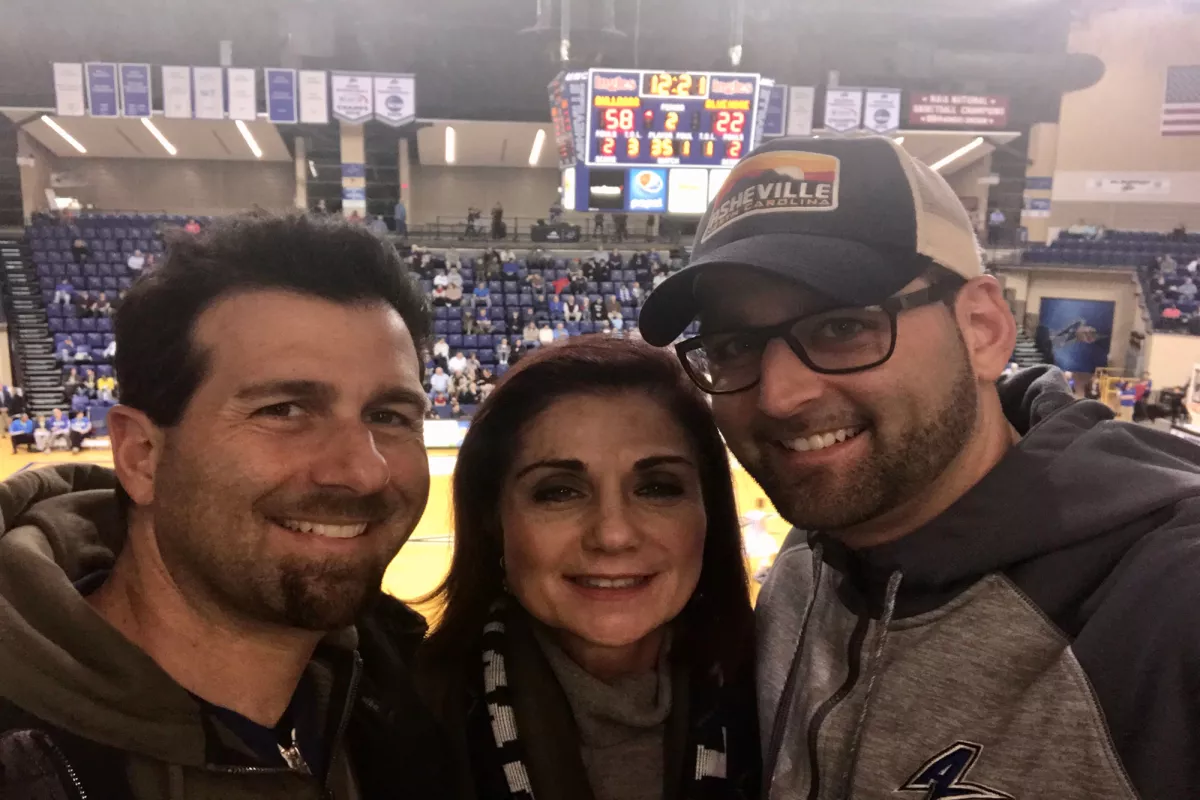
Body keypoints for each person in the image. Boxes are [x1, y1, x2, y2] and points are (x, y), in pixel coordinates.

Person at [639, 134, 1200, 799]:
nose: (779, 397)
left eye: (843, 327)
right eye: (734, 345)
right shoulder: (805, 566)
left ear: (983, 329)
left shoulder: (1168, 603)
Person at [0, 212, 454, 798]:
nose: (364, 471)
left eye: (389, 416)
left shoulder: (415, 689)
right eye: (284, 410)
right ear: (141, 456)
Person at [415, 337, 759, 800]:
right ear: (492, 518)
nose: (613, 535)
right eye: (558, 492)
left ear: (708, 511)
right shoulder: (396, 722)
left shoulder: (789, 696)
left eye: (658, 487)